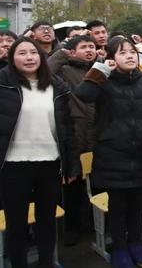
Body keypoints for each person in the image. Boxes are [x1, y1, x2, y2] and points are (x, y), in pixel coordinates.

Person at [75, 37, 142, 268]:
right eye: (122, 52)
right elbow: (83, 94)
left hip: (141, 156)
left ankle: (136, 243)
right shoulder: (104, 82)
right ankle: (120, 248)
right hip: (112, 156)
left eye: (132, 52)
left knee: (137, 206)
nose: (129, 56)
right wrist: (101, 69)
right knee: (117, 208)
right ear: (112, 58)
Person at [0, 37, 80, 268]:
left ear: (41, 57)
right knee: (17, 226)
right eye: (22, 53)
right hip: (13, 165)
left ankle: (47, 262)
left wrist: (72, 164)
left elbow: (68, 129)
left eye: (33, 53)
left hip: (49, 164)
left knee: (47, 222)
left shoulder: (56, 85)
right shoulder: (3, 84)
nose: (29, 58)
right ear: (11, 57)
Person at [48, 35, 99, 246]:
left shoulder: (98, 69)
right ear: (72, 50)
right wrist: (60, 55)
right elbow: (44, 72)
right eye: (83, 47)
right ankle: (72, 227)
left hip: (95, 134)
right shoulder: (64, 69)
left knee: (96, 183)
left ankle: (93, 223)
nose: (89, 50)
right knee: (73, 185)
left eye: (92, 46)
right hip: (73, 135)